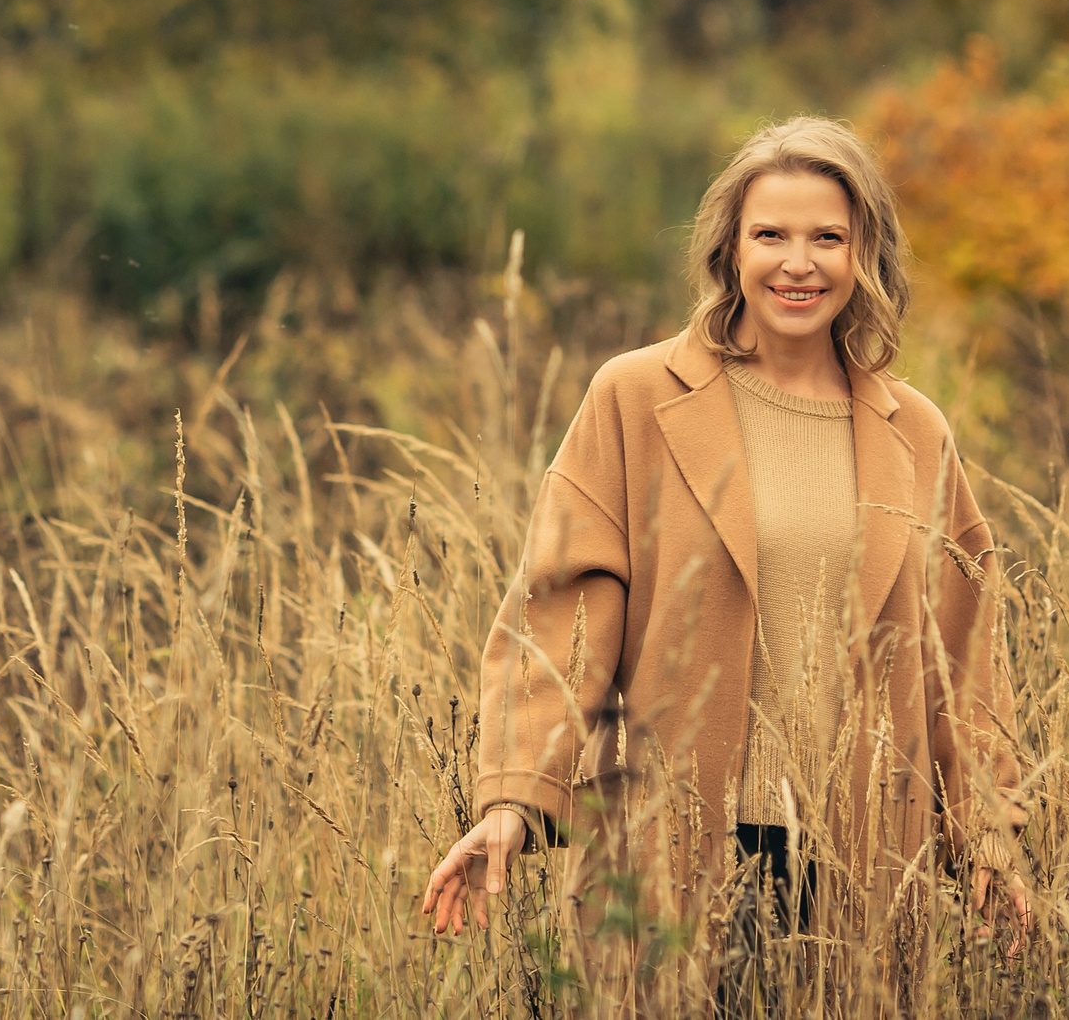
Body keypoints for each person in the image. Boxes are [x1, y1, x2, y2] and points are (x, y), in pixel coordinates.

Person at [419, 116, 1030, 964]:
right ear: (729, 251)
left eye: (828, 237)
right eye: (769, 234)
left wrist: (988, 841)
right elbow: (562, 619)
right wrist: (512, 803)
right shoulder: (634, 396)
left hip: (860, 860)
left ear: (864, 256)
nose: (798, 262)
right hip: (675, 855)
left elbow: (960, 663)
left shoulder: (915, 429)